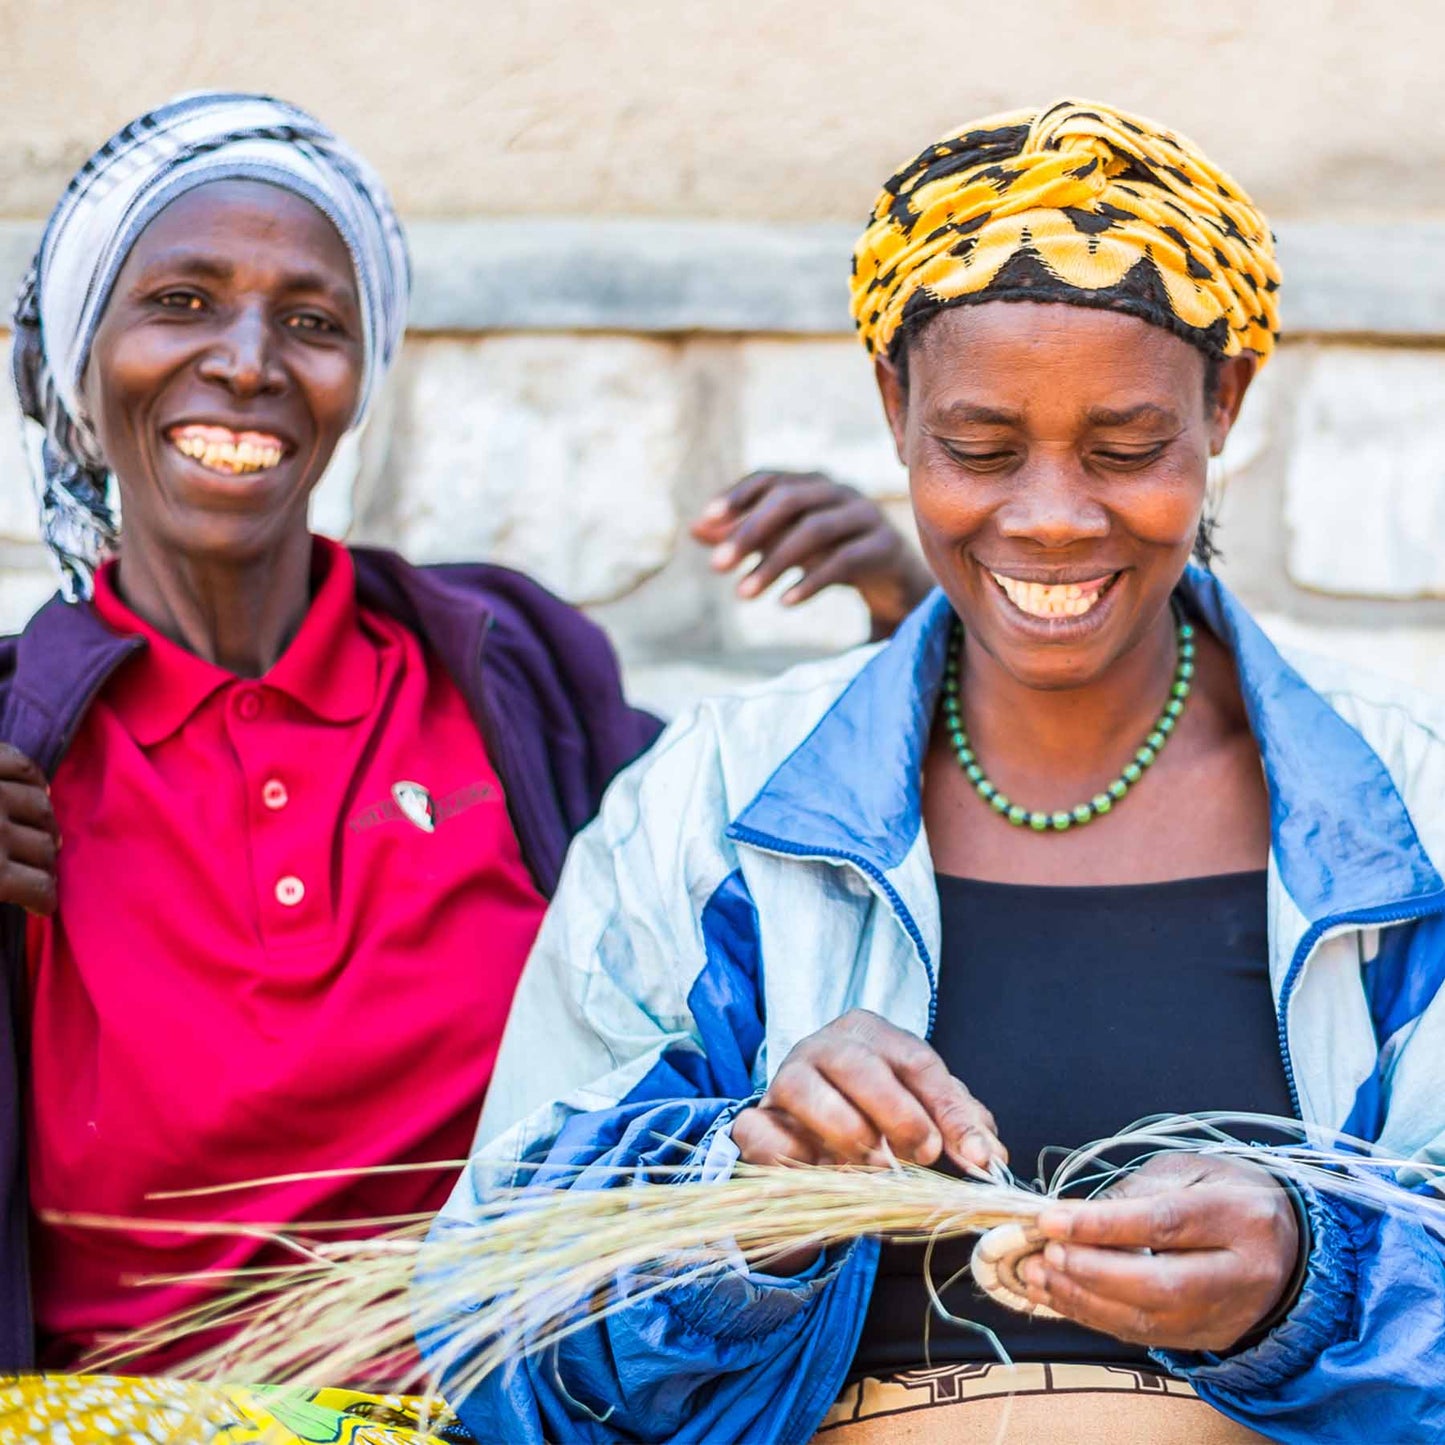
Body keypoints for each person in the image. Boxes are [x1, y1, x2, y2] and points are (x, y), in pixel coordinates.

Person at [425, 101, 1445, 1444]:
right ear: (893, 405)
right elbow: (485, 1343)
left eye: (1126, 448)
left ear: (1225, 405)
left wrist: (1312, 1281)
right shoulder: (717, 810)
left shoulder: (1405, 810)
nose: (1048, 515)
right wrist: (742, 1202)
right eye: (977, 448)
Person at [0, 91, 928, 1423]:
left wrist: (906, 617)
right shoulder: (24, 753)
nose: (250, 360)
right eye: (183, 303)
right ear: (83, 357)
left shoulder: (504, 683)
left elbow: (774, 876)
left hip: (504, 1410)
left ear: (359, 381)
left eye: (313, 322)